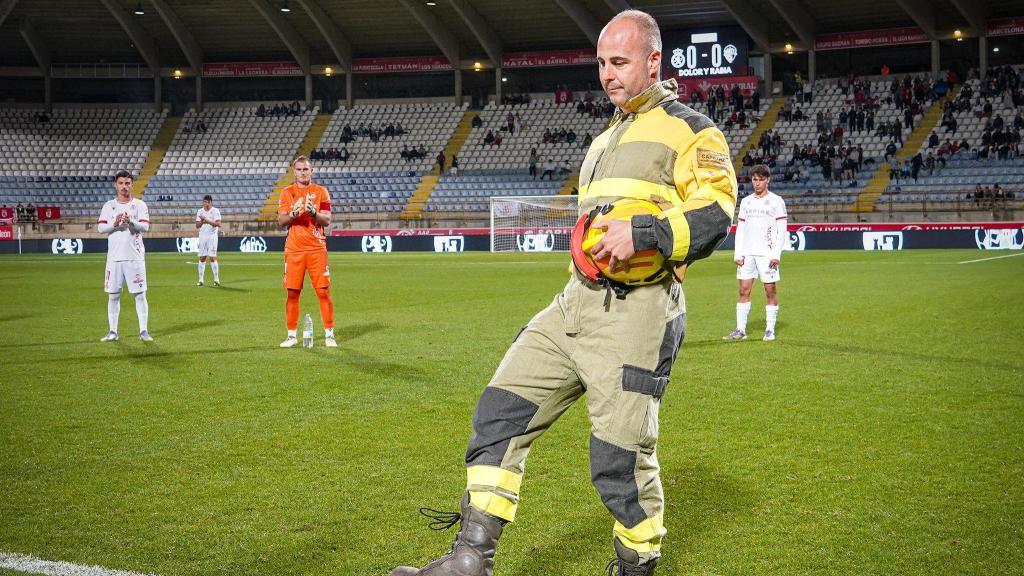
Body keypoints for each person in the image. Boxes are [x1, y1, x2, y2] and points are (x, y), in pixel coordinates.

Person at [388, 9, 736, 576]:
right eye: (601, 63)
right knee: (500, 412)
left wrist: (644, 231)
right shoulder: (602, 139)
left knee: (619, 462)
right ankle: (470, 559)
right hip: (572, 304)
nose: (607, 74)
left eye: (619, 62)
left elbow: (718, 211)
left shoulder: (693, 130)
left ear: (654, 61)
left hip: (638, 315)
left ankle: (636, 565)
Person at [277, 156, 336, 348]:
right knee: (292, 293)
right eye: (299, 169)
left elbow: (326, 220)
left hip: (317, 248)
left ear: (312, 171)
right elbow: (281, 222)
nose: (303, 172)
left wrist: (313, 214)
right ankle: (292, 336)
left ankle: (329, 334)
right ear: (294, 172)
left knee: (323, 292)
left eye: (306, 169)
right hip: (294, 249)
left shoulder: (321, 192)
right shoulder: (287, 193)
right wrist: (293, 214)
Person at [724, 164, 787, 342]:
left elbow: (782, 230)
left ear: (768, 180)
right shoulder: (746, 202)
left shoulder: (777, 201)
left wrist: (777, 254)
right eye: (754, 179)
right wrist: (738, 253)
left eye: (760, 180)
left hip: (767, 254)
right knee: (743, 290)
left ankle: (769, 330)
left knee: (770, 291)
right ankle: (740, 330)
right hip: (748, 253)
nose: (757, 183)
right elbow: (741, 228)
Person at [97, 171, 153, 342]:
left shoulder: (140, 205)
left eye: (127, 183)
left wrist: (131, 222)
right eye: (121, 183)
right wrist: (114, 224)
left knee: (140, 295)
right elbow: (100, 229)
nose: (124, 186)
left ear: (132, 185)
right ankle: (113, 331)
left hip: (134, 257)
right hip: (114, 259)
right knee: (113, 295)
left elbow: (145, 227)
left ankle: (143, 331)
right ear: (116, 185)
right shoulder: (109, 206)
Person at [195, 194, 222, 287]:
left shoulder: (215, 211)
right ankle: (201, 280)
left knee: (212, 257)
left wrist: (207, 220)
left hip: (212, 236)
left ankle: (216, 280)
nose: (205, 204)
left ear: (211, 202)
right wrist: (203, 221)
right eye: (204, 202)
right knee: (202, 257)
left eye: (207, 202)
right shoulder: (200, 211)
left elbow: (218, 224)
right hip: (202, 236)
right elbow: (197, 225)